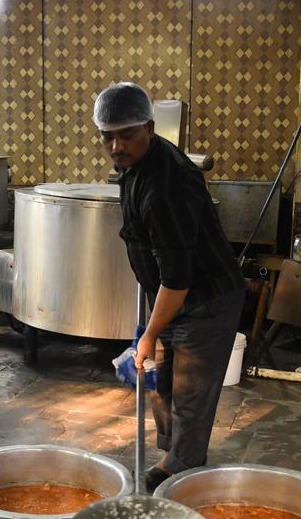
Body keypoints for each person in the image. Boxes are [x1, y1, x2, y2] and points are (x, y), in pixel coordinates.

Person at [94, 82, 246, 492]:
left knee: (190, 392)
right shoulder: (136, 166)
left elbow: (177, 279)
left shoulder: (168, 187)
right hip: (173, 295)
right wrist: (152, 329)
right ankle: (171, 454)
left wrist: (150, 334)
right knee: (161, 384)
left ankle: (183, 471)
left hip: (206, 300)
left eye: (126, 135)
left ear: (148, 126)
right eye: (107, 135)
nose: (116, 145)